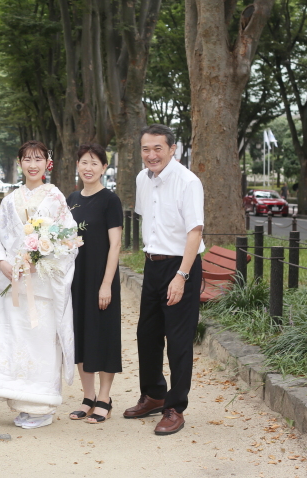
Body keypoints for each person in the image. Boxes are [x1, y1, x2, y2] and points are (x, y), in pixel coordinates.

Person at [0, 141, 79, 429]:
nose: (32, 164)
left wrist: (40, 259)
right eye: (27, 159)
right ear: (20, 163)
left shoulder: (57, 198)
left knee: (42, 342)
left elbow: (69, 241)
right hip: (14, 282)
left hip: (43, 283)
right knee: (14, 339)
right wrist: (2, 264)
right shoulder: (10, 200)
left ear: (48, 162)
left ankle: (42, 406)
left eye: (38, 159)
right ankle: (21, 403)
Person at [122, 124, 204, 435]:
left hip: (181, 266)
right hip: (153, 265)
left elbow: (195, 232)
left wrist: (181, 275)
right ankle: (154, 394)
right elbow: (149, 219)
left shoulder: (188, 182)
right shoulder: (143, 178)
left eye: (158, 148)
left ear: (173, 149)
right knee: (148, 334)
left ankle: (174, 407)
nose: (151, 154)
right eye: (146, 149)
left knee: (179, 342)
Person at [66, 143, 123, 424]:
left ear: (104, 168)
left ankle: (104, 398)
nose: (88, 168)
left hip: (100, 278)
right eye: (84, 162)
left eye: (94, 163)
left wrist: (106, 284)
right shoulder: (71, 199)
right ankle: (87, 397)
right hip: (75, 280)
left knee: (104, 335)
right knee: (79, 334)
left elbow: (115, 246)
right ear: (77, 165)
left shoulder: (110, 200)